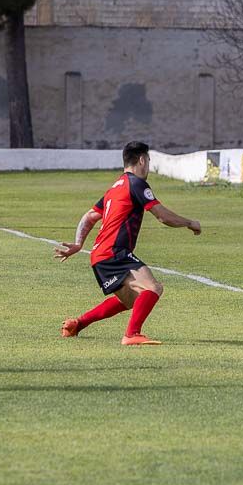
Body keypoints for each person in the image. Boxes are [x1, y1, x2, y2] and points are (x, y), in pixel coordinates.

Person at [55, 141, 201, 344]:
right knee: (152, 288)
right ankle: (132, 335)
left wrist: (79, 244)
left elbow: (89, 217)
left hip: (100, 255)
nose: (148, 165)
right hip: (115, 252)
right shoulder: (137, 184)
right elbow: (162, 216)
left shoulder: (115, 187)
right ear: (142, 159)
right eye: (148, 160)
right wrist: (190, 223)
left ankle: (78, 324)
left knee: (132, 299)